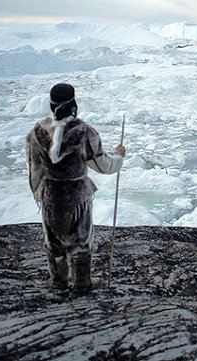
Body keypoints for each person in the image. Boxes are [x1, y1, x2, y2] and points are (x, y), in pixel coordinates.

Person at [25, 83, 125, 292]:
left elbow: (35, 168)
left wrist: (39, 192)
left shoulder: (37, 132)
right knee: (81, 238)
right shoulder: (83, 132)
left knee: (53, 238)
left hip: (51, 193)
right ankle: (82, 282)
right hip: (77, 194)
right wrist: (119, 156)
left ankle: (59, 281)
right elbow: (103, 165)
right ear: (73, 103)